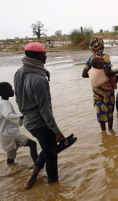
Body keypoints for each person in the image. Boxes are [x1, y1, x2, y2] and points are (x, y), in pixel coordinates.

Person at [14, 42, 66, 189]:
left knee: (47, 148)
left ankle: (33, 178)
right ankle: (54, 186)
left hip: (29, 121)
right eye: (44, 54)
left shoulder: (19, 72)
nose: (46, 56)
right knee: (51, 155)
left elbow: (18, 97)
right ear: (38, 56)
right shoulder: (39, 79)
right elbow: (44, 110)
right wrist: (56, 131)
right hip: (41, 123)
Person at [82, 37, 118, 131]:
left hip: (97, 91)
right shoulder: (105, 57)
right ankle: (110, 130)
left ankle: (103, 132)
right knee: (109, 110)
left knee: (100, 111)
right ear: (102, 46)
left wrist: (95, 77)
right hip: (107, 90)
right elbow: (108, 73)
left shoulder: (90, 59)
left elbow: (84, 74)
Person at [0, 82, 38, 165]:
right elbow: (8, 115)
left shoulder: (2, 103)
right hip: (9, 133)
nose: (13, 91)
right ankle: (38, 165)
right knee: (32, 144)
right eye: (10, 89)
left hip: (6, 134)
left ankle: (13, 172)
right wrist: (23, 117)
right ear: (3, 93)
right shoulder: (5, 103)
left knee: (11, 157)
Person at [88, 57, 118, 130]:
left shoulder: (103, 69)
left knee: (110, 112)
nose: (101, 65)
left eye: (102, 63)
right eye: (99, 64)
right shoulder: (94, 72)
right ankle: (103, 130)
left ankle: (110, 130)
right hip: (99, 96)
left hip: (109, 95)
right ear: (94, 66)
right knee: (101, 113)